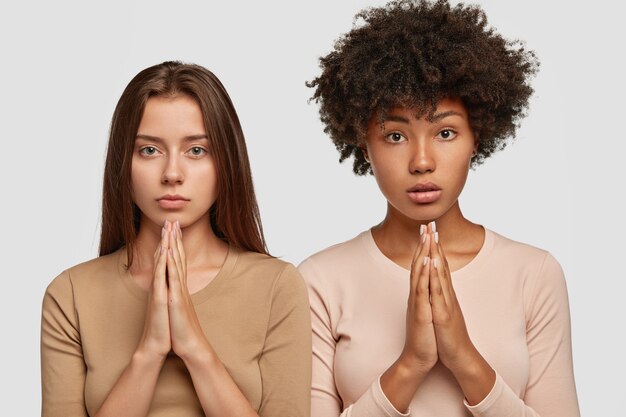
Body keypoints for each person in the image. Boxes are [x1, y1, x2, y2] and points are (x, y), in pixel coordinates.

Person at [299, 1, 579, 416]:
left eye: (445, 132)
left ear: (477, 137)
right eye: (395, 136)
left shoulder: (534, 275)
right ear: (363, 143)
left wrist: (464, 357)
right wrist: (411, 365)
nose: (422, 161)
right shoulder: (320, 281)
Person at [41, 61, 311, 417]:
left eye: (196, 150)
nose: (172, 173)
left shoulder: (277, 286)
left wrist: (194, 346)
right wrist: (149, 351)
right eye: (149, 150)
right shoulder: (71, 294)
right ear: (124, 162)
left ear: (227, 161)